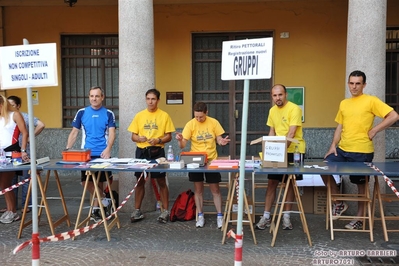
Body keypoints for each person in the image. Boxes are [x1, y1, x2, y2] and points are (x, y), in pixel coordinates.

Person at [321, 70, 399, 230]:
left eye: (358, 83)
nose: (354, 87)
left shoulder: (371, 100)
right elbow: (339, 126)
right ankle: (338, 202)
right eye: (351, 83)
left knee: (361, 185)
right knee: (324, 168)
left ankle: (360, 219)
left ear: (364, 85)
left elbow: (394, 116)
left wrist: (375, 130)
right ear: (348, 84)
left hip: (362, 151)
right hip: (342, 149)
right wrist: (332, 145)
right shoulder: (344, 103)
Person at [255, 84, 306, 231]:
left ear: (285, 95)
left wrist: (278, 150)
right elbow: (272, 131)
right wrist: (268, 148)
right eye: (275, 95)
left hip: (294, 151)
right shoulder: (272, 111)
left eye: (280, 95)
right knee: (272, 183)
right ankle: (266, 216)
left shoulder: (294, 109)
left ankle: (286, 217)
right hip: (277, 151)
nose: (278, 98)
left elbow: (291, 133)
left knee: (290, 184)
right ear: (272, 97)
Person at [65, 86, 116, 223]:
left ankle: (95, 212)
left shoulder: (109, 113)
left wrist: (108, 149)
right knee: (85, 182)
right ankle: (105, 200)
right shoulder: (81, 112)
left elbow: (112, 133)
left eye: (97, 96)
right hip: (86, 154)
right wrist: (68, 149)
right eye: (92, 96)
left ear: (102, 97)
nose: (94, 98)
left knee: (101, 182)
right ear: (89, 97)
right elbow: (74, 132)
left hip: (103, 154)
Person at [176, 102, 230, 229]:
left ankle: (219, 216)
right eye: (196, 117)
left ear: (206, 113)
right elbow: (183, 145)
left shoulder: (213, 122)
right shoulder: (190, 124)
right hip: (195, 160)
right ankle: (200, 215)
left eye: (201, 117)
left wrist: (221, 141)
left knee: (215, 190)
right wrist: (179, 140)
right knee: (198, 190)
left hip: (211, 160)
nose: (199, 119)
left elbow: (219, 138)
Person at [128, 88, 175, 224]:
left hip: (157, 152)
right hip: (141, 152)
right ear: (145, 100)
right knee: (140, 181)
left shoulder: (164, 115)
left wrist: (159, 140)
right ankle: (137, 210)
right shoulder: (139, 115)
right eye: (148, 99)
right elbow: (133, 135)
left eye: (153, 99)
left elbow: (169, 136)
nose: (150, 101)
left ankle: (165, 211)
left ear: (158, 100)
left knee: (161, 181)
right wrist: (139, 138)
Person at [7, 96, 45, 213]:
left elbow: (41, 124)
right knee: (10, 181)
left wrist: (29, 137)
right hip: (11, 153)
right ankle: (12, 207)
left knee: (25, 180)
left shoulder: (25, 117)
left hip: (25, 153)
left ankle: (27, 205)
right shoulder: (6, 117)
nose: (9, 107)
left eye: (12, 105)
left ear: (18, 106)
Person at [0, 94, 28, 224]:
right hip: (1, 154)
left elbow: (24, 132)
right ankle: (10, 210)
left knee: (6, 182)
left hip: (12, 153)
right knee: (4, 184)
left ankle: (12, 211)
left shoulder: (15, 115)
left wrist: (23, 150)